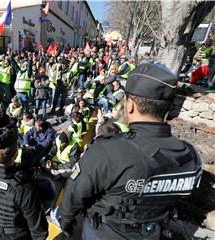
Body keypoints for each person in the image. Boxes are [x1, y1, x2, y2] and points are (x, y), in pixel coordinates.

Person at [57, 63, 202, 239]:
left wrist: (65, 225)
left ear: (130, 105)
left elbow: (73, 197)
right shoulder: (189, 156)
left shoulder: (107, 151)